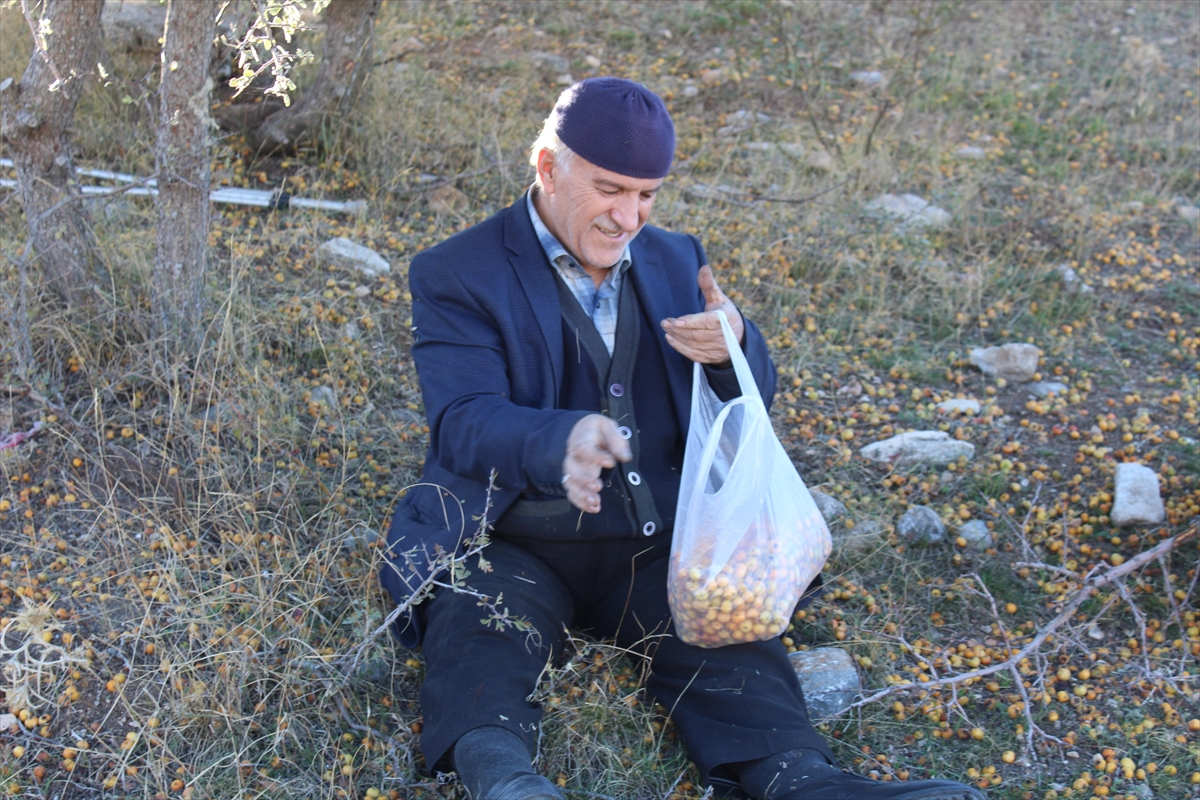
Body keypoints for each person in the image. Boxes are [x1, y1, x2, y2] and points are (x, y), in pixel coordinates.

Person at [380, 77, 985, 800]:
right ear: (547, 166)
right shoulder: (457, 270)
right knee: (478, 630)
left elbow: (750, 393)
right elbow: (463, 420)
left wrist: (733, 345)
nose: (629, 216)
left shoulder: (674, 257)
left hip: (658, 540)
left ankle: (801, 783)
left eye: (647, 195)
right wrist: (559, 439)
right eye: (610, 190)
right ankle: (504, 780)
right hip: (516, 537)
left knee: (732, 648)